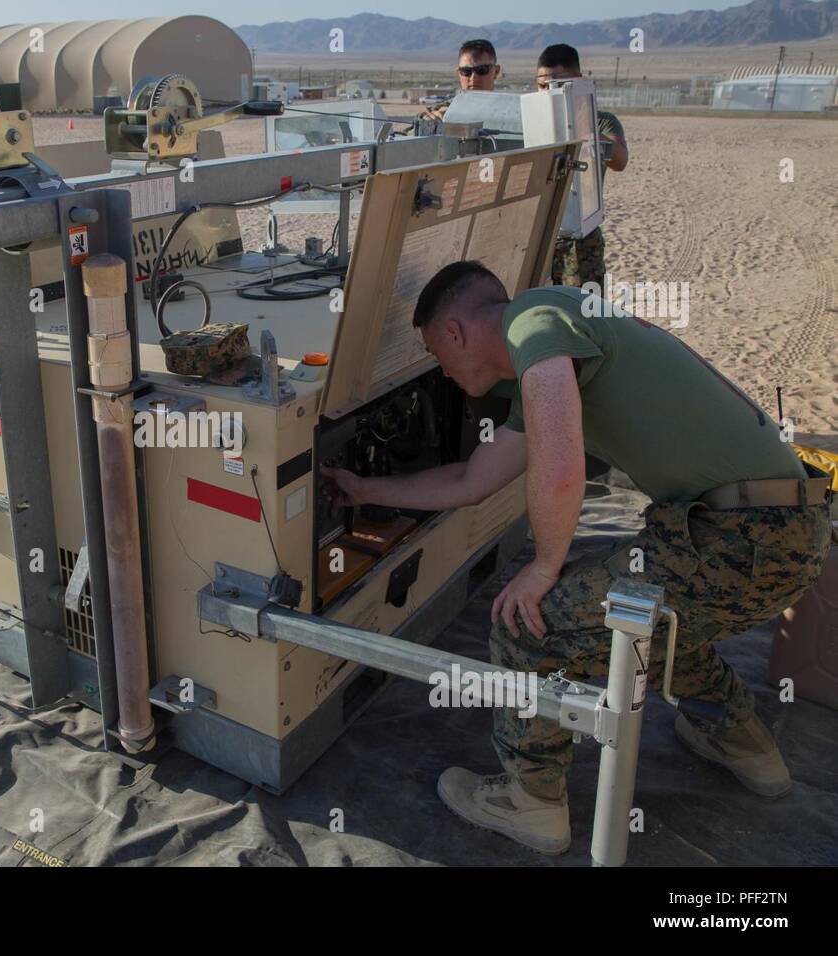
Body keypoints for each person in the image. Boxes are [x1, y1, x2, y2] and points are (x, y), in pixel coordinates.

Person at [321, 261, 831, 855]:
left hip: (738, 535)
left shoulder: (536, 319)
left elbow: (562, 469)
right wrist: (364, 490)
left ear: (455, 334)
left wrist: (541, 572)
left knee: (527, 627)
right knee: (650, 619)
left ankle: (532, 805)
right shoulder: (557, 334)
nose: (443, 370)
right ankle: (745, 746)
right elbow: (470, 479)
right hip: (782, 529)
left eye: (438, 354)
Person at [537, 44, 629, 288]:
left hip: (580, 239)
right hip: (540, 237)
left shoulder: (602, 121)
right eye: (542, 85)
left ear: (578, 80)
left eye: (558, 85)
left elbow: (620, 160)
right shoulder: (533, 119)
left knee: (585, 315)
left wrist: (584, 126)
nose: (549, 92)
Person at [419, 39, 500, 124]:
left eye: (482, 70)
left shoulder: (509, 110)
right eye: (466, 71)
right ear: (459, 73)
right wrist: (430, 121)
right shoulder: (446, 111)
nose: (473, 78)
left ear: (496, 71)